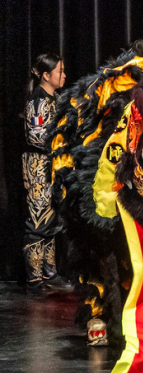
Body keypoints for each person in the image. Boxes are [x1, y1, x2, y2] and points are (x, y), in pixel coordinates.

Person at [23, 53, 70, 293]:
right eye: (60, 71)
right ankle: (34, 280)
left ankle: (50, 272)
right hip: (39, 165)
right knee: (38, 221)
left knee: (53, 220)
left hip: (53, 165)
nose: (64, 75)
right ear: (45, 75)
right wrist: (62, 142)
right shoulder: (38, 101)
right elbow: (36, 136)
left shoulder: (57, 97)